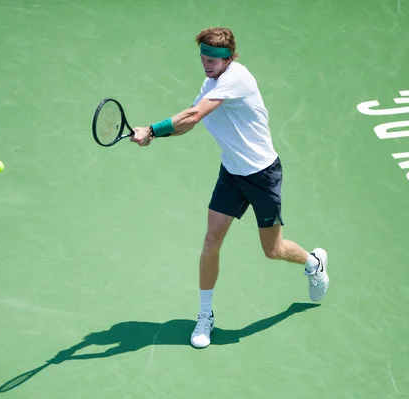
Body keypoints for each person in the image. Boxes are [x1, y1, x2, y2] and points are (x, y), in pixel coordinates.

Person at [130, 27, 329, 349]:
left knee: (272, 249)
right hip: (232, 174)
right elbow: (189, 123)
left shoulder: (237, 79)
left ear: (228, 58)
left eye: (211, 60)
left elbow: (193, 115)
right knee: (211, 240)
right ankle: (205, 315)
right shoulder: (211, 84)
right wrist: (156, 135)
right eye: (202, 58)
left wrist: (151, 128)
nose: (206, 65)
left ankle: (313, 263)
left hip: (263, 175)